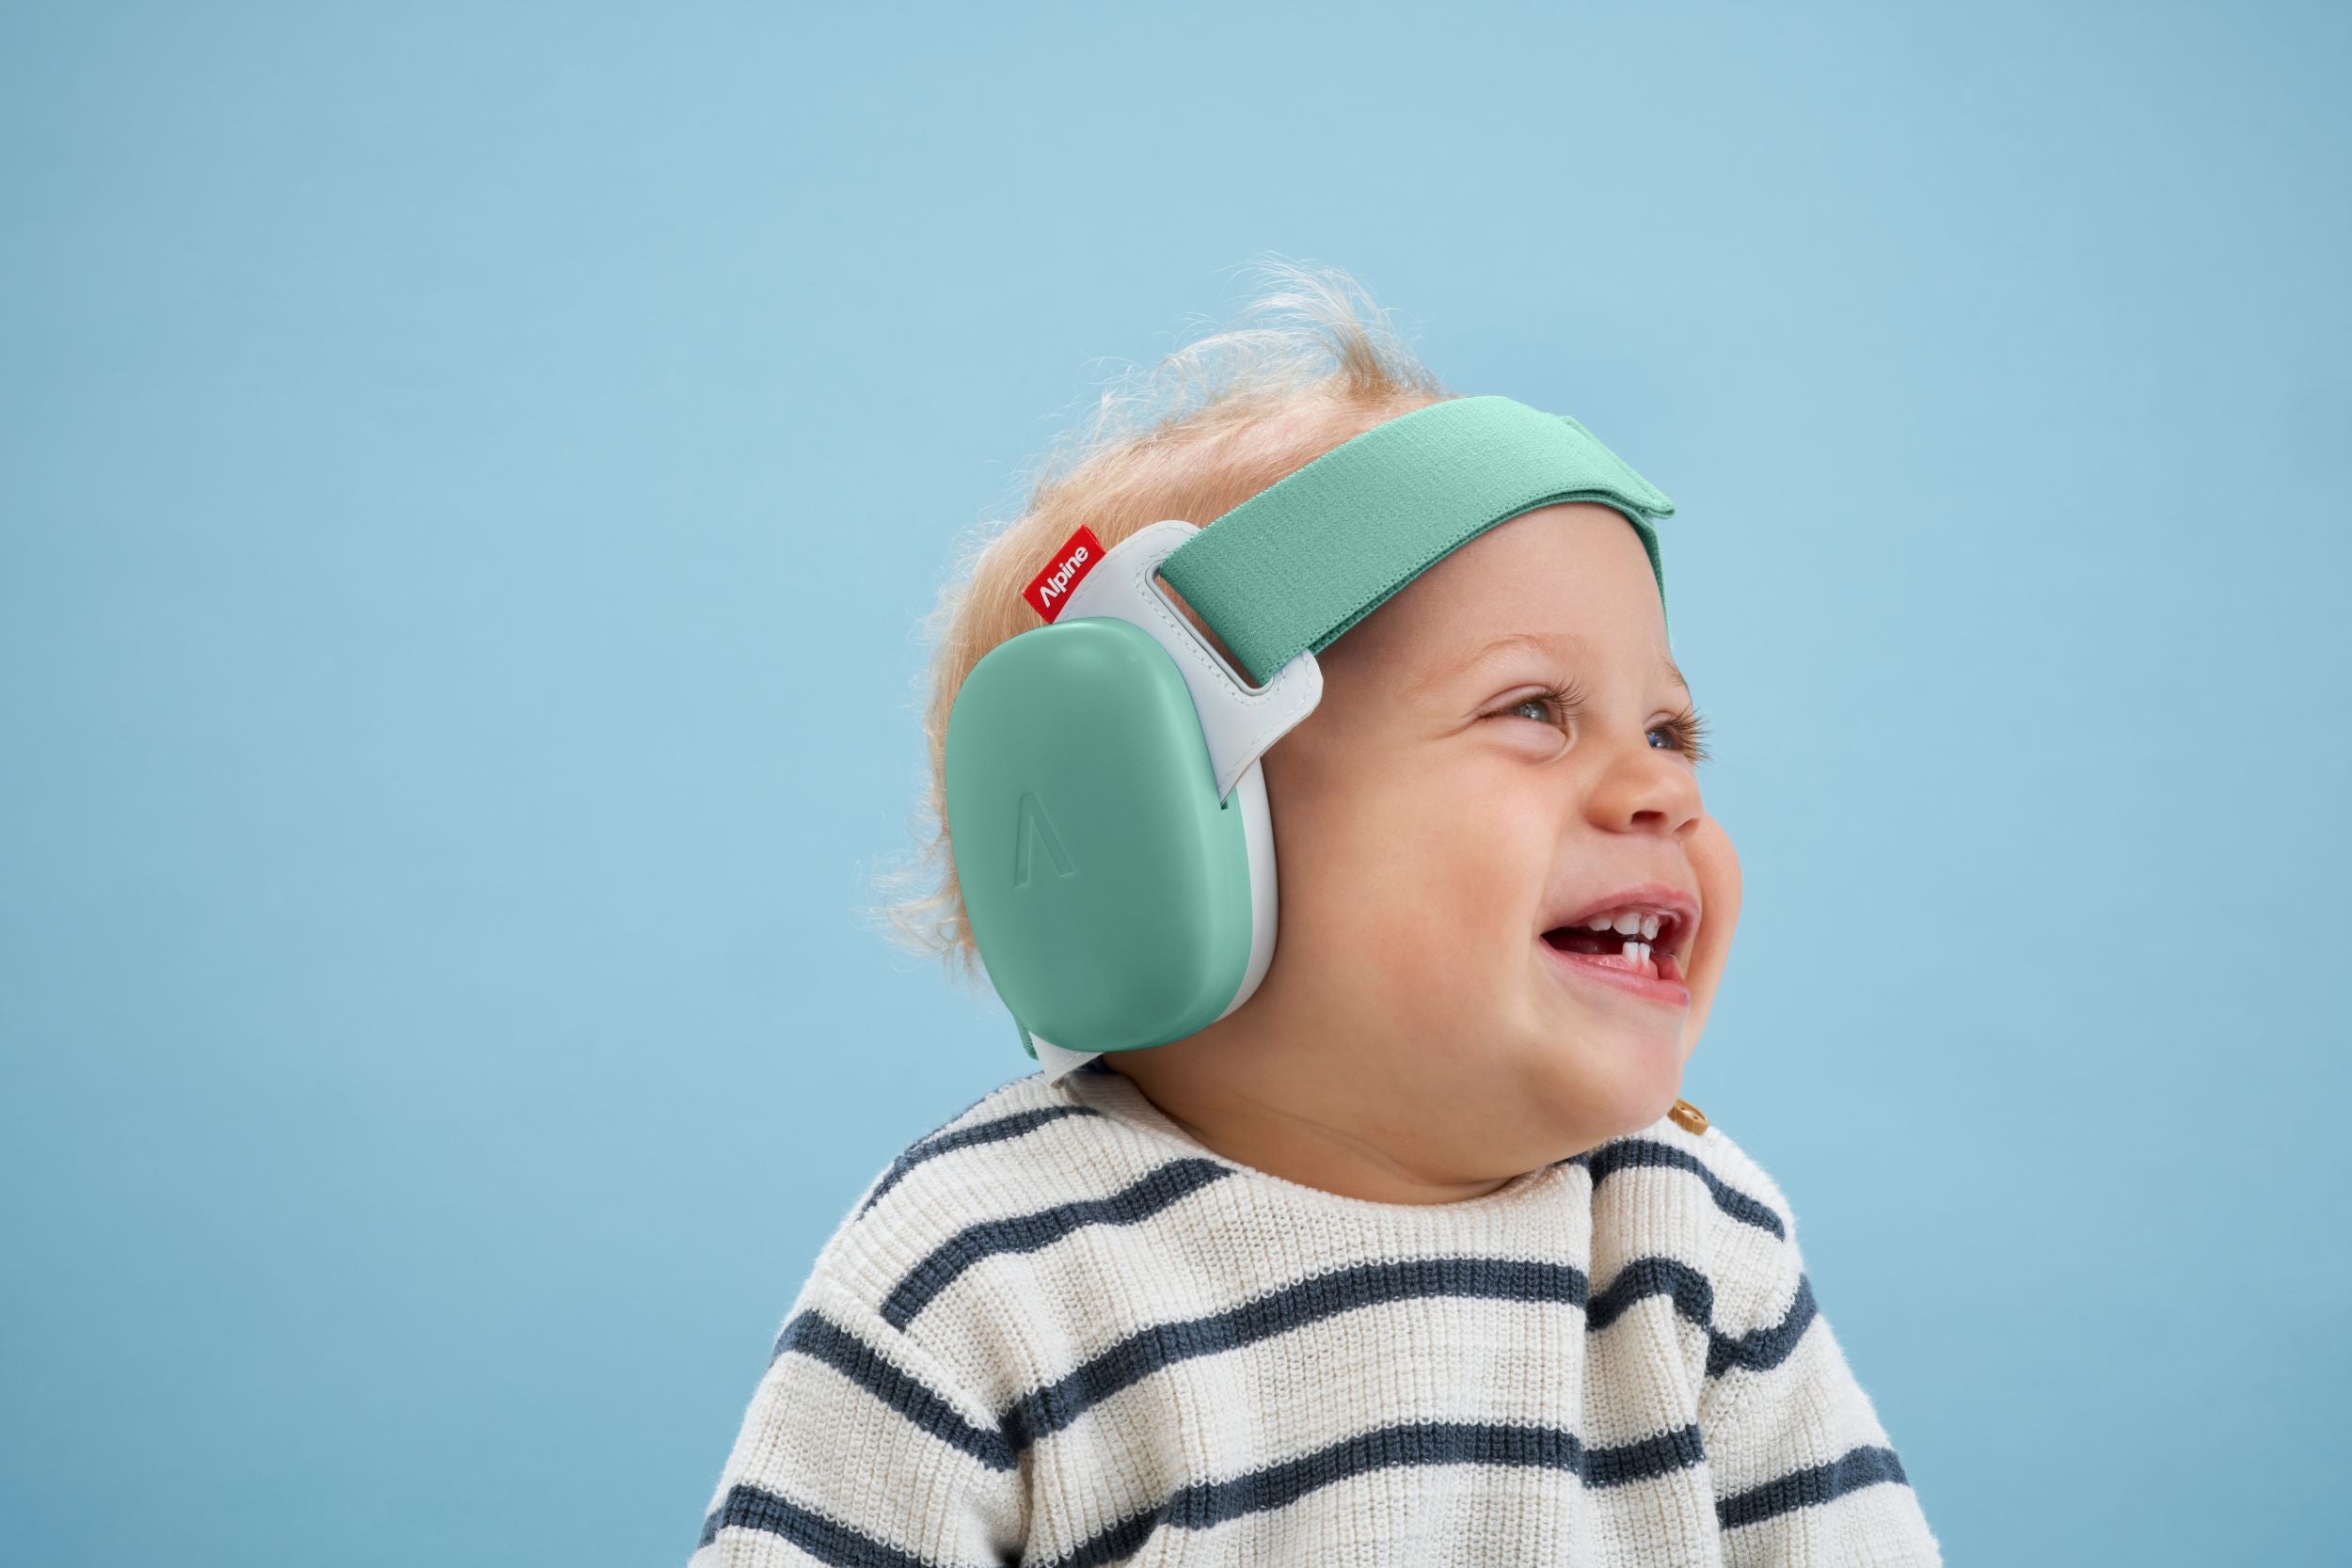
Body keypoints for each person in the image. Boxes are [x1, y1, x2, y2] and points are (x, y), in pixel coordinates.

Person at [686, 261, 1943, 1565]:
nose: (1663, 790)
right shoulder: (979, 1278)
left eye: (1672, 730)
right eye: (1532, 710)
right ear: (1159, 835)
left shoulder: (1690, 1245)